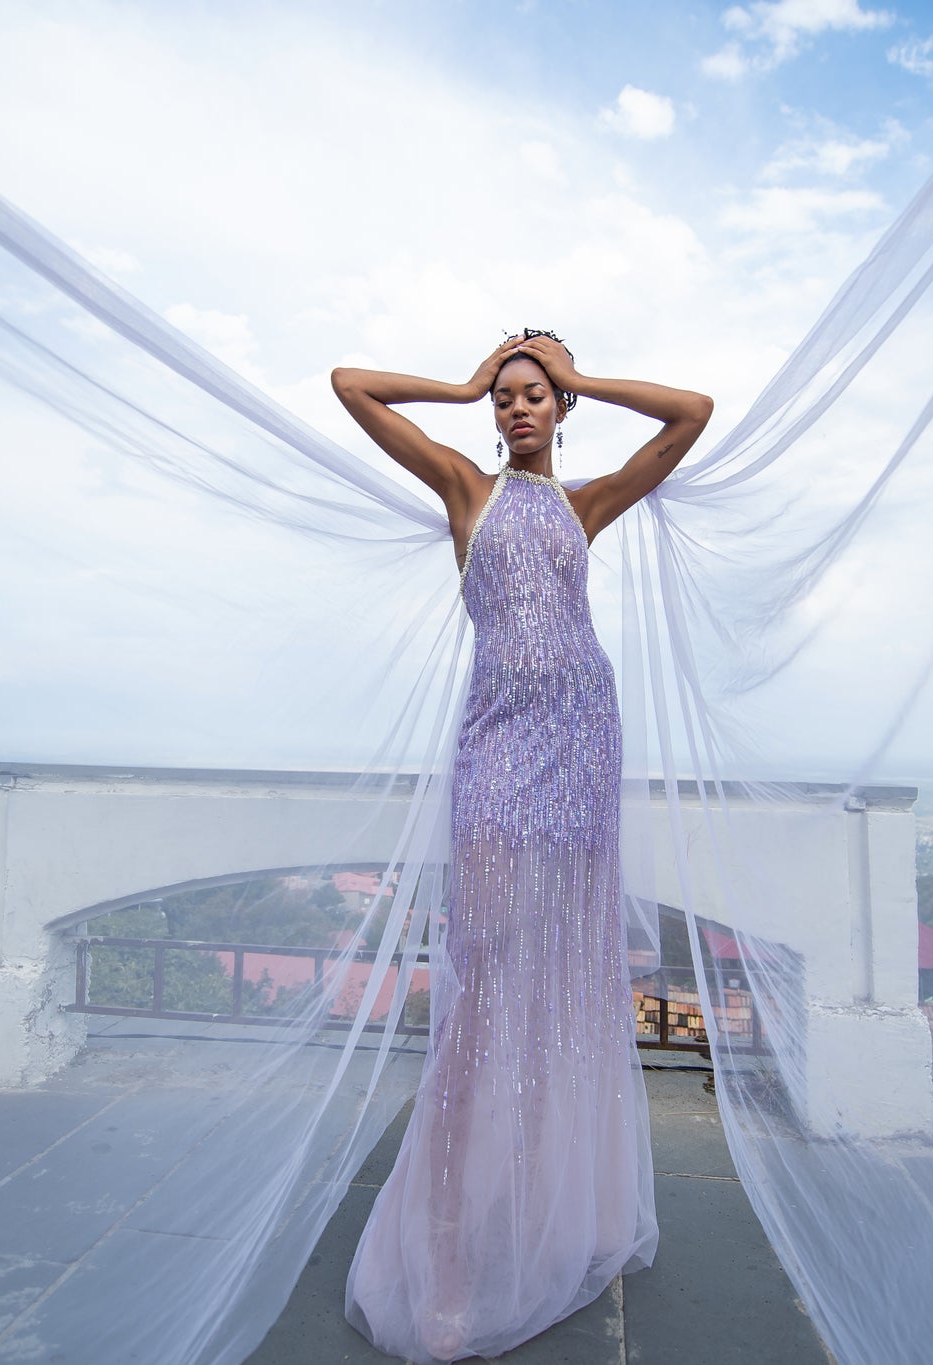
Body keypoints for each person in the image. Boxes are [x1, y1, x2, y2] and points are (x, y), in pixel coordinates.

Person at [329, 332, 714, 1361]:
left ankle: (560, 1214)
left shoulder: (585, 506)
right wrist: (459, 380)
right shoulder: (467, 491)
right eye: (503, 397)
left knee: (567, 986)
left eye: (533, 394)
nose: (514, 408)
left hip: (584, 743)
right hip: (499, 756)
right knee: (484, 991)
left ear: (559, 407)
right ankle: (448, 1263)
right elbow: (349, 385)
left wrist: (582, 376)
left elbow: (692, 412)